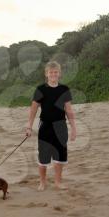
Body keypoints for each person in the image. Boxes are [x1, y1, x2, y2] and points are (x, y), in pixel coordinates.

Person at [26, 61, 77, 191]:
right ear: (46, 74)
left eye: (55, 72)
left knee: (60, 155)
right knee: (43, 156)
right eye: (51, 72)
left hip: (61, 126)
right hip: (45, 126)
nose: (53, 74)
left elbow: (69, 110)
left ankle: (58, 182)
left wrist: (73, 128)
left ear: (59, 74)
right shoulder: (41, 89)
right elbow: (33, 109)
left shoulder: (64, 89)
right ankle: (42, 182)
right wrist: (29, 127)